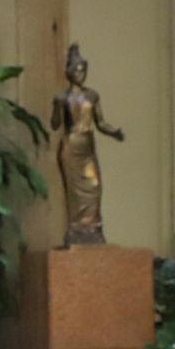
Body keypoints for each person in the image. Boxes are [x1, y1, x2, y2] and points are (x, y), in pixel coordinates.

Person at [52, 42, 125, 246]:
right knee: (74, 193)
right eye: (76, 70)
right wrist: (57, 106)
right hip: (71, 145)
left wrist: (114, 132)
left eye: (83, 70)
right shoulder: (63, 98)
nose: (80, 74)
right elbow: (55, 124)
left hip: (87, 145)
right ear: (69, 73)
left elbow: (100, 122)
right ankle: (77, 229)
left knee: (95, 186)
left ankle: (92, 227)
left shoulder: (92, 96)